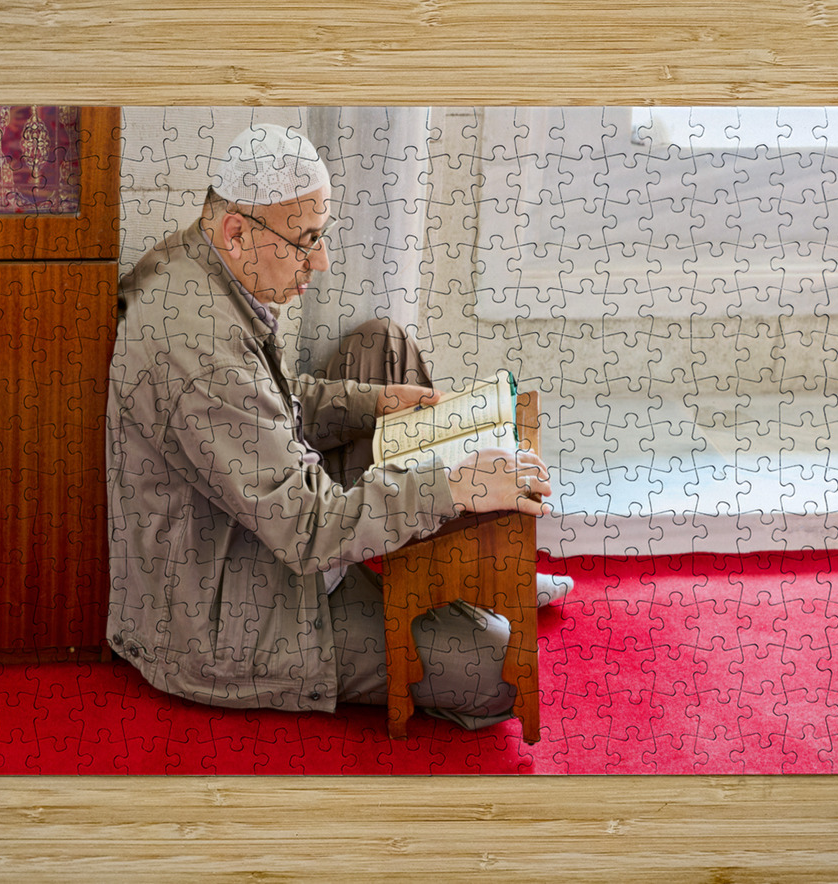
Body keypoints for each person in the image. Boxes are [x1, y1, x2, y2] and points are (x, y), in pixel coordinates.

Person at [105, 123, 569, 730]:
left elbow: (267, 401)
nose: (320, 262)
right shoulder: (198, 346)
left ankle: (472, 567)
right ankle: (464, 572)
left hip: (261, 517)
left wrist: (374, 403)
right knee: (499, 665)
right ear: (238, 232)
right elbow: (307, 527)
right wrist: (452, 488)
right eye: (306, 241)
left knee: (385, 345)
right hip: (232, 608)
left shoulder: (201, 259)